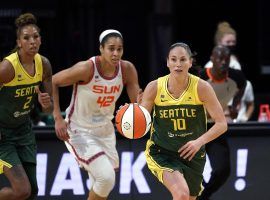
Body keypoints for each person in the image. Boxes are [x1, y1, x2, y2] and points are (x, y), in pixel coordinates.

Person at [52, 29, 141, 200]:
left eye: (119, 49)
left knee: (102, 183)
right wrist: (57, 118)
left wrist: (139, 116)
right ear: (101, 49)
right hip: (80, 130)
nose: (116, 53)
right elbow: (53, 81)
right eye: (111, 48)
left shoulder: (127, 69)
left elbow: (138, 104)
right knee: (106, 178)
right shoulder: (87, 68)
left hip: (105, 130)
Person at [140, 42, 227, 200]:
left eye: (182, 59)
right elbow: (140, 123)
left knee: (188, 197)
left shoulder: (202, 88)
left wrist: (198, 142)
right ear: (167, 62)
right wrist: (130, 114)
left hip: (192, 155)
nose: (178, 64)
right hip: (162, 152)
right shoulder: (154, 88)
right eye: (173, 59)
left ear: (190, 62)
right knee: (181, 194)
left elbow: (222, 124)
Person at [0, 13, 53, 200]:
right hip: (3, 134)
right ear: (19, 42)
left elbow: (49, 109)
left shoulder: (44, 65)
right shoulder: (8, 68)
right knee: (22, 190)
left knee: (32, 192)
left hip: (24, 131)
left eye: (36, 37)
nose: (32, 41)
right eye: (26, 38)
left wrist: (46, 104)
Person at [198, 45, 246, 200]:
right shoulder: (199, 77)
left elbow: (242, 85)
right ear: (212, 59)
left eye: (226, 59)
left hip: (215, 126)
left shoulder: (237, 77)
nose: (223, 62)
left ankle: (203, 197)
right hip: (194, 127)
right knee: (187, 170)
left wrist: (235, 104)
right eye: (220, 58)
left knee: (223, 170)